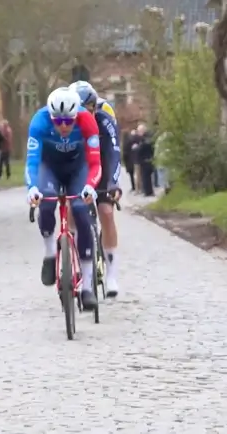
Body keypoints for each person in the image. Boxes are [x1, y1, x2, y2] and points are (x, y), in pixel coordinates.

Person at [25, 87, 102, 310]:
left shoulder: (87, 121)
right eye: (58, 121)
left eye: (69, 121)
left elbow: (96, 163)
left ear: (76, 115)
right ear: (50, 116)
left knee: (80, 209)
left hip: (78, 168)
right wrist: (32, 188)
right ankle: (50, 254)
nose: (64, 126)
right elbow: (32, 162)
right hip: (49, 167)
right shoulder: (39, 122)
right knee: (47, 202)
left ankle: (87, 286)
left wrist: (90, 186)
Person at [71, 82, 123, 297]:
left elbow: (113, 154)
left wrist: (112, 183)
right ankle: (71, 258)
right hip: (78, 167)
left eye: (88, 109)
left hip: (101, 165)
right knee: (71, 207)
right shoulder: (66, 123)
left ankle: (111, 274)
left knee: (107, 212)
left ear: (94, 107)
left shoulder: (104, 120)